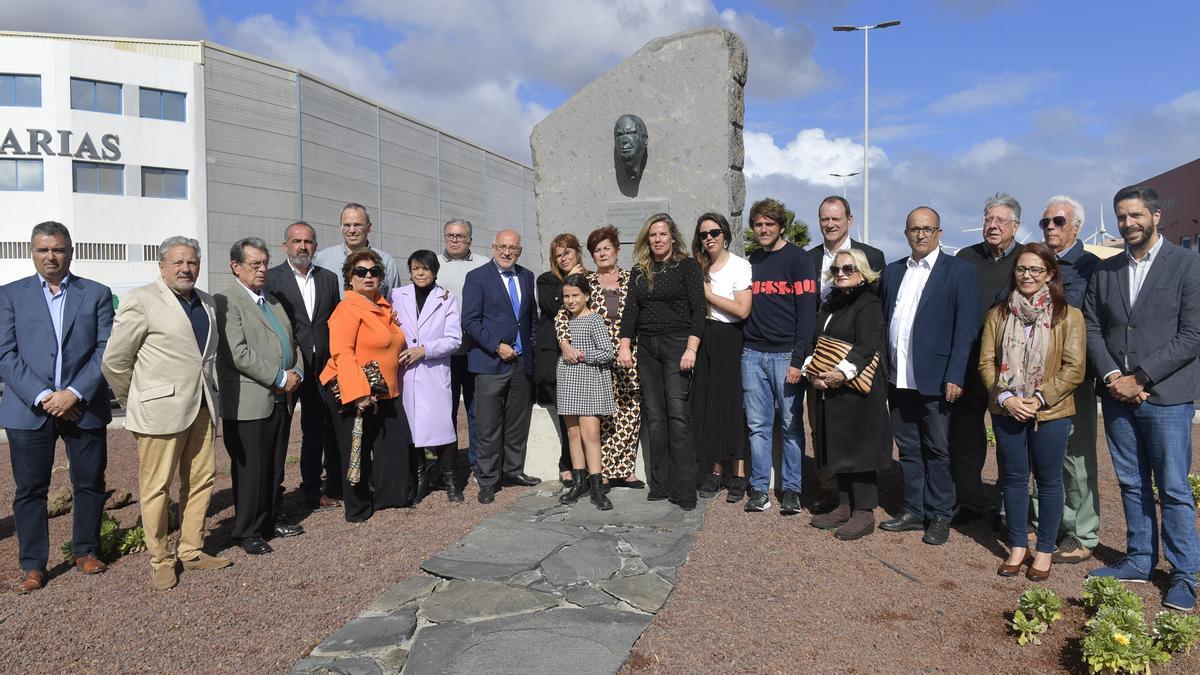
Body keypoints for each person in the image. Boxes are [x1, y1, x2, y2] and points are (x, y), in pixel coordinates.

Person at [1084, 185, 1200, 612]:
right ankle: (1139, 559)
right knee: (1132, 484)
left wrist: (1141, 377)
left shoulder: (1188, 265)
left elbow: (1193, 335)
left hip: (1166, 397)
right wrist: (1115, 375)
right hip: (1117, 396)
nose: (1128, 223)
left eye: (1136, 215)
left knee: (1172, 488)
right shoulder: (1106, 270)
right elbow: (1092, 328)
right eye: (1121, 217)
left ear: (1156, 216)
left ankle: (1185, 573)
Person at [102, 237, 231, 591]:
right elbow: (115, 361)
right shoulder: (141, 300)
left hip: (203, 406)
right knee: (157, 488)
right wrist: (137, 399)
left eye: (191, 262)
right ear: (161, 266)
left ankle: (191, 549)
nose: (186, 268)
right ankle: (160, 558)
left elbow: (206, 357)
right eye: (177, 263)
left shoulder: (205, 302)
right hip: (159, 411)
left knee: (202, 480)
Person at [0, 222, 113, 593]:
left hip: (83, 406)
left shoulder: (95, 293)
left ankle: (86, 551)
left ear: (70, 251)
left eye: (58, 249)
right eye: (43, 250)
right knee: (30, 489)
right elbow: (5, 353)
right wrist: (45, 396)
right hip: (28, 409)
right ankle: (33, 565)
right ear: (32, 252)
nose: (51, 256)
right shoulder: (9, 296)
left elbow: (105, 348)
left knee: (90, 484)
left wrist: (75, 393)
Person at [981, 243, 1085, 581]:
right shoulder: (998, 314)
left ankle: (1043, 551)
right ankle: (1016, 546)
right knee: (1012, 479)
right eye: (1022, 269)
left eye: (1035, 270)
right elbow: (986, 363)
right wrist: (1007, 397)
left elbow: (1074, 368)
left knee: (1049, 481)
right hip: (1007, 409)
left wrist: (1039, 398)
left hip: (1050, 412)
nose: (1027, 275)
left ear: (1050, 274)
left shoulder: (1069, 316)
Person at [879, 207, 980, 546]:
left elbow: (965, 330)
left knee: (937, 449)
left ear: (939, 232)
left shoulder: (958, 271)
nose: (920, 234)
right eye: (914, 229)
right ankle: (913, 509)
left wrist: (956, 375)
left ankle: (940, 513)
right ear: (906, 233)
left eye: (927, 229)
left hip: (937, 379)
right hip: (899, 378)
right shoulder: (893, 272)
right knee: (908, 448)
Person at [215, 238, 306, 556]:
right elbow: (237, 352)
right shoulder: (226, 301)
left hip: (281, 398)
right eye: (255, 264)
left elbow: (291, 342)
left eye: (265, 263)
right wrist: (280, 377)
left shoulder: (274, 301)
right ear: (235, 266)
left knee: (274, 466)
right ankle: (246, 530)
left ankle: (268, 520)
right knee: (251, 468)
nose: (263, 269)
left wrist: (297, 372)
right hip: (250, 400)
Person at [617, 213, 705, 511]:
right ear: (647, 239)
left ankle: (684, 489)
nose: (657, 239)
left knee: (678, 416)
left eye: (662, 234)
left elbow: (698, 310)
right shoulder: (639, 271)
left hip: (677, 344)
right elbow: (630, 312)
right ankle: (660, 483)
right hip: (648, 350)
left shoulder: (687, 266)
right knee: (655, 415)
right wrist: (625, 346)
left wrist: (691, 349)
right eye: (653, 235)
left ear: (672, 237)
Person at [321, 249, 416, 521]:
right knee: (356, 450)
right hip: (354, 389)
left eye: (374, 272)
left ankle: (390, 498)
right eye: (360, 272)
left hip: (385, 389)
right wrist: (358, 394)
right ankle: (358, 508)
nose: (368, 277)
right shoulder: (347, 309)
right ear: (349, 278)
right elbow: (342, 353)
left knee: (394, 442)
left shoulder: (383, 307)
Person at [805, 196, 885, 513]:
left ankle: (862, 508)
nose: (830, 224)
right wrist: (814, 367)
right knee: (830, 431)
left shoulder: (871, 276)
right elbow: (813, 326)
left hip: (857, 373)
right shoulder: (812, 266)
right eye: (824, 218)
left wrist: (844, 371)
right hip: (823, 370)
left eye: (836, 218)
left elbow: (872, 331)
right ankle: (837, 498)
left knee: (858, 435)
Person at [950, 193, 1025, 528]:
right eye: (987, 220)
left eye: (1000, 221)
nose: (992, 226)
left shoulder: (1028, 259)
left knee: (1010, 441)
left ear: (1016, 226)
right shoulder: (965, 258)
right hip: (968, 362)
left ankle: (1010, 511)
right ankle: (969, 500)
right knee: (965, 436)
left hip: (1011, 369)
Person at [1035, 195, 1101, 564]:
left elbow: (1074, 310)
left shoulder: (1091, 266)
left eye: (1058, 221)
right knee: (1040, 453)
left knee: (1076, 457)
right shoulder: (1035, 260)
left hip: (1072, 376)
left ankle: (1080, 532)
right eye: (1045, 221)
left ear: (1077, 226)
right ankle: (1045, 521)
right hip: (1033, 374)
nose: (1050, 228)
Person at [740, 198, 817, 515]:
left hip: (786, 355)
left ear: (781, 226)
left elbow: (807, 315)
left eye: (769, 224)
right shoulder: (751, 260)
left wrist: (798, 360)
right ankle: (759, 489)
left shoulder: (799, 260)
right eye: (758, 224)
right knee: (757, 426)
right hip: (752, 353)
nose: (763, 229)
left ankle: (792, 490)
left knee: (790, 426)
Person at [555, 226, 644, 490]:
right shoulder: (587, 283)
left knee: (629, 411)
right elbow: (562, 315)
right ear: (591, 257)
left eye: (607, 248)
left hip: (629, 354)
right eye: (597, 250)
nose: (602, 253)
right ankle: (600, 472)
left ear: (618, 250)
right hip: (593, 359)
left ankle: (625, 469)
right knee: (598, 418)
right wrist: (564, 343)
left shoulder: (632, 279)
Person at [265, 221, 343, 510]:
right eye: (296, 241)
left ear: (316, 246)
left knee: (315, 431)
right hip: (288, 369)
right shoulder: (272, 279)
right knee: (280, 432)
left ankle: (311, 489)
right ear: (285, 245)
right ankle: (274, 495)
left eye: (308, 242)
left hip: (320, 369)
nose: (302, 247)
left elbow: (333, 322)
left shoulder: (328, 279)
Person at [462, 229, 541, 504]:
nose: (507, 252)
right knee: (488, 425)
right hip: (490, 362)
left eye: (513, 248)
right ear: (494, 247)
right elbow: (470, 321)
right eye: (502, 247)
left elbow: (530, 318)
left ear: (520, 251)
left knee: (517, 423)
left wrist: (530, 345)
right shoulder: (477, 278)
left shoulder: (526, 276)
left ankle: (512, 471)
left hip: (521, 363)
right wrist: (497, 345)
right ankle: (487, 479)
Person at [392, 250, 463, 503]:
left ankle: (451, 480)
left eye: (425, 269)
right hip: (406, 373)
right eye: (415, 269)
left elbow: (454, 339)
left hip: (433, 372)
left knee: (443, 429)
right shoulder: (396, 295)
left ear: (434, 272)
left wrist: (425, 350)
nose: (420, 273)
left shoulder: (446, 299)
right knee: (412, 431)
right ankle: (419, 479)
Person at [690, 213, 751, 502]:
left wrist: (708, 295)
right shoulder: (698, 267)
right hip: (705, 337)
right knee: (708, 405)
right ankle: (714, 472)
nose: (709, 238)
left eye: (714, 232)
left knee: (731, 404)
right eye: (703, 234)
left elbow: (742, 310)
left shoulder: (740, 265)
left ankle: (737, 474)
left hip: (730, 337)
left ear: (725, 234)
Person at [555, 274, 616, 510]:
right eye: (566, 296)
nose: (570, 301)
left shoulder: (594, 320)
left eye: (575, 295)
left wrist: (580, 355)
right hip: (568, 381)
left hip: (589, 382)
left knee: (590, 435)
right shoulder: (563, 321)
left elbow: (607, 352)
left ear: (587, 296)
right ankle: (578, 483)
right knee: (573, 434)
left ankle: (597, 487)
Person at [437, 218, 489, 478]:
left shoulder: (483, 264)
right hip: (444, 354)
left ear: (470, 238)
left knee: (475, 410)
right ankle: (447, 465)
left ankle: (477, 462)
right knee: (445, 411)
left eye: (460, 236)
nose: (455, 240)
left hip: (475, 350)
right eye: (450, 236)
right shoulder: (432, 265)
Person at [536, 234, 586, 488]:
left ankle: (588, 466)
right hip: (555, 358)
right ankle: (568, 465)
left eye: (568, 252)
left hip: (585, 358)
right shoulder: (547, 281)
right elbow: (557, 305)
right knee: (569, 412)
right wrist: (570, 280)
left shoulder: (591, 279)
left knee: (586, 414)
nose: (563, 258)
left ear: (578, 252)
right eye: (558, 255)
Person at [312, 203, 401, 298]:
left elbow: (395, 302)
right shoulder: (322, 259)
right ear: (340, 228)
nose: (352, 230)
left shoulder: (386, 261)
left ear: (369, 227)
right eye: (346, 225)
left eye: (357, 225)